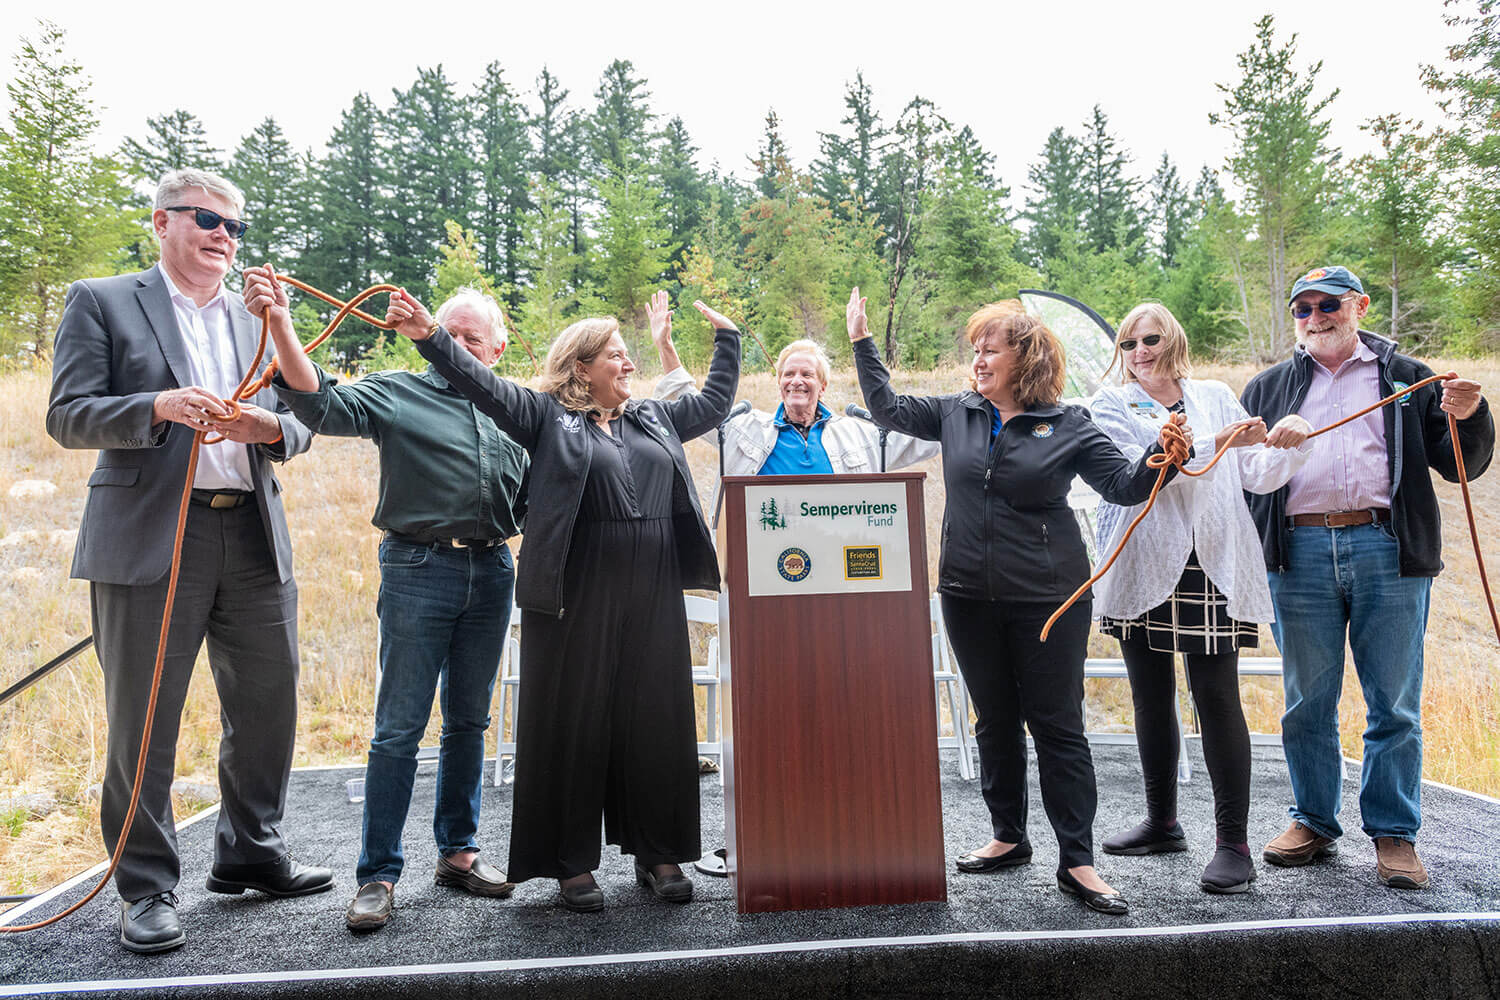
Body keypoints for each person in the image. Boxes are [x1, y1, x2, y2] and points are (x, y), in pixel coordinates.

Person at [45, 169, 329, 954]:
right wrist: (156, 408)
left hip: (252, 536)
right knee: (145, 720)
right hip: (152, 537)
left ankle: (251, 853)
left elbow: (303, 417)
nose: (224, 237)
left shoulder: (254, 316)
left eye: (235, 227)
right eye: (208, 220)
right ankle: (144, 887)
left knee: (270, 706)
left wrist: (267, 431)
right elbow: (66, 416)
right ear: (163, 221)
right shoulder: (102, 300)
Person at [385, 290, 740, 913]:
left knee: (656, 719)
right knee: (575, 723)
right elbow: (481, 384)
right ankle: (571, 863)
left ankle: (658, 854)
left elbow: (713, 404)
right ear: (582, 367)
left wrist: (728, 339)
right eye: (616, 356)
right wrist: (429, 337)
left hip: (654, 590)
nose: (629, 365)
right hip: (577, 595)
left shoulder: (654, 417)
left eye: (629, 356)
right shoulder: (546, 417)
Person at [848, 287, 1185, 916]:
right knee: (993, 719)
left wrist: (1160, 455)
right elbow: (887, 408)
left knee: (1057, 725)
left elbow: (1123, 485)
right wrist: (863, 343)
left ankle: (1078, 860)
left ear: (1024, 361)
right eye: (974, 350)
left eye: (990, 351)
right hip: (967, 597)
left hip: (1050, 600)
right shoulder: (956, 413)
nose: (977, 360)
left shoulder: (1070, 425)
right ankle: (1009, 835)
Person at [254, 280, 529, 931]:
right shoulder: (398, 391)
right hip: (418, 568)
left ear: (498, 344)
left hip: (493, 571)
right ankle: (378, 874)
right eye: (448, 332)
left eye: (469, 336)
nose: (457, 345)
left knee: (469, 722)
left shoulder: (517, 408)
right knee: (399, 728)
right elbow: (319, 405)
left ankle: (458, 854)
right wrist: (282, 325)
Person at [1241, 265, 1493, 889]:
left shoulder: (1410, 377)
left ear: (1360, 305)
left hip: (1387, 546)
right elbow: (1242, 475)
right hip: (1297, 551)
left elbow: (1462, 466)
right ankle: (1314, 823)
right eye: (1303, 308)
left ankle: (1393, 835)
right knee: (1305, 703)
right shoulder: (1268, 386)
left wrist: (1471, 414)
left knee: (1395, 705)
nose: (1316, 316)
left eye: (1329, 304)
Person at [1089, 302, 1312, 894]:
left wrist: (1292, 442)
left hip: (1213, 562)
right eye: (1128, 342)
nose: (1139, 351)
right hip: (1142, 565)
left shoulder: (1214, 392)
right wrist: (1225, 437)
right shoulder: (1110, 403)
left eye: (1150, 338)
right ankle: (1162, 822)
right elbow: (1153, 460)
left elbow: (1255, 472)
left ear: (1174, 339)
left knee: (1217, 699)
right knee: (1149, 695)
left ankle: (1232, 843)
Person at [650, 291, 939, 496]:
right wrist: (664, 344)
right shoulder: (743, 430)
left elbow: (933, 434)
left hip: (837, 564)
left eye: (806, 374)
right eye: (788, 374)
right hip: (759, 567)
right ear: (779, 383)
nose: (796, 381)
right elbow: (685, 401)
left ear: (822, 386)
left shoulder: (859, 435)